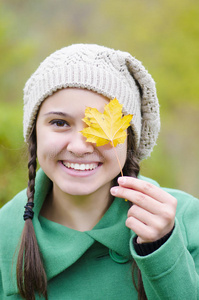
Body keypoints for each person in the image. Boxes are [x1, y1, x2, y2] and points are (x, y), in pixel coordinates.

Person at [0, 44, 199, 300]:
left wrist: (161, 246)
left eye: (100, 125)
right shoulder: (5, 232)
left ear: (129, 137)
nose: (80, 146)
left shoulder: (186, 219)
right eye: (59, 123)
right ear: (34, 132)